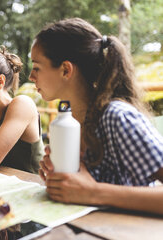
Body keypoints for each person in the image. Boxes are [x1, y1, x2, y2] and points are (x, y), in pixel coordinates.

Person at [29, 18, 163, 215]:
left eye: (37, 67)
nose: (31, 76)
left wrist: (92, 192)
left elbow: (89, 191)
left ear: (66, 70)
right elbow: (79, 189)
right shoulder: (69, 121)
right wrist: (61, 181)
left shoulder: (117, 117)